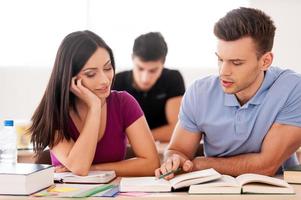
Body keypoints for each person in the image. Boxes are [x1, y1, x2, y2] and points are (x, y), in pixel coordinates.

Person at [155, 7, 301, 179]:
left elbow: (265, 166)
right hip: (213, 189)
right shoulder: (199, 93)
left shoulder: (293, 88)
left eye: (236, 62)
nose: (223, 71)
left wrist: (201, 164)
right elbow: (178, 150)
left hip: (276, 190)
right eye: (220, 59)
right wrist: (175, 160)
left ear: (265, 61)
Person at [29, 30, 160, 176]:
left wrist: (95, 169)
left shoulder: (123, 103)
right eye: (91, 74)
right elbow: (79, 167)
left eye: (108, 68)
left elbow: (151, 164)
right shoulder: (54, 112)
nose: (104, 80)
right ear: (69, 77)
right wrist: (95, 107)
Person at [113, 32, 185, 142]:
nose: (145, 78)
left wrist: (134, 139)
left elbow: (176, 130)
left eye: (153, 70)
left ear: (163, 62)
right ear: (132, 58)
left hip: (160, 149)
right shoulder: (116, 81)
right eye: (140, 68)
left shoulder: (173, 78)